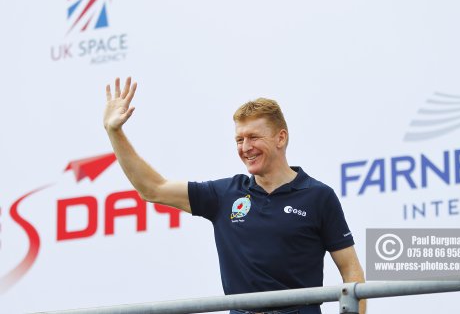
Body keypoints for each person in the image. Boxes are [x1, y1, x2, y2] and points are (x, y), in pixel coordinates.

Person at [103, 77, 366, 314]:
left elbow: (350, 269)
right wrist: (114, 132)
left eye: (253, 137)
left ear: (281, 138)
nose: (245, 148)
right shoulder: (223, 194)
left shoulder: (319, 196)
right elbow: (152, 188)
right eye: (239, 140)